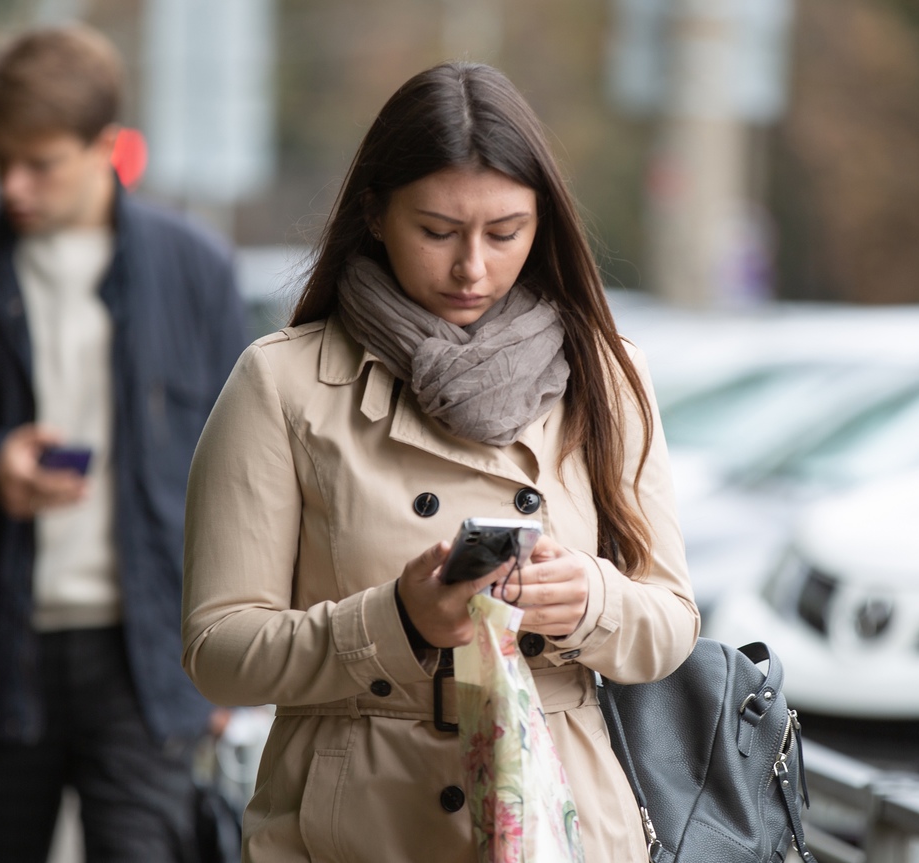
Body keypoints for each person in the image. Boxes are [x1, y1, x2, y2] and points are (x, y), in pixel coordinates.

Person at [181, 61, 701, 862]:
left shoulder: (604, 371)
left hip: (559, 824)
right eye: (437, 231)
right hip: (354, 828)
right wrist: (395, 621)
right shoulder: (281, 382)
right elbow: (219, 652)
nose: (473, 269)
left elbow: (670, 623)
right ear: (375, 214)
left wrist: (587, 598)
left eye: (505, 233)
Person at [0, 24, 249, 863]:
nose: (13, 184)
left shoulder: (196, 271)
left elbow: (252, 473)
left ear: (106, 149)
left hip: (152, 657)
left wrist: (238, 659)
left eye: (39, 163)